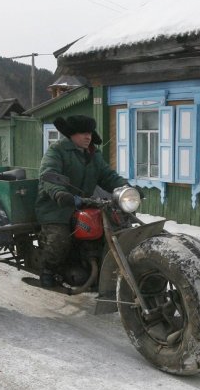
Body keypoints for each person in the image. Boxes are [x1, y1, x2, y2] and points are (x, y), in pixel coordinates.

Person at [35, 114, 129, 287]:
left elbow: (108, 176)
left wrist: (126, 188)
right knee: (60, 239)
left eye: (90, 133)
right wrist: (59, 194)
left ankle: (98, 268)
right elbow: (48, 175)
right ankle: (48, 270)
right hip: (57, 207)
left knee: (112, 230)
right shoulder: (57, 151)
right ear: (71, 134)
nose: (88, 137)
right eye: (82, 133)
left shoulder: (94, 154)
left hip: (84, 204)